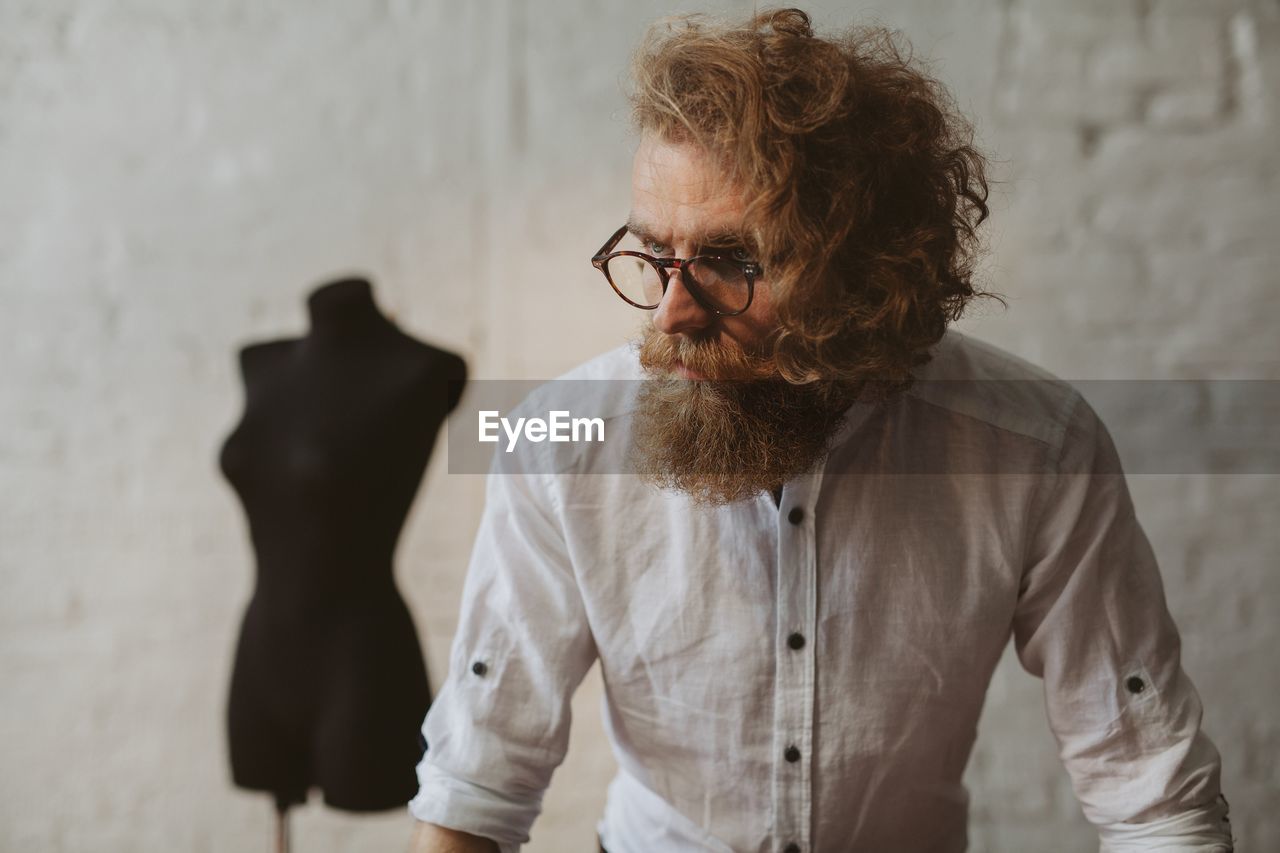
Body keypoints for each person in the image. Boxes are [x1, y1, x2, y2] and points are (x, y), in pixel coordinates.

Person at [408, 9, 1233, 852]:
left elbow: (1151, 797)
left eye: (731, 262)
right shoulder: (561, 439)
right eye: (654, 254)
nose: (670, 312)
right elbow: (479, 776)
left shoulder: (1035, 447)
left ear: (870, 272)